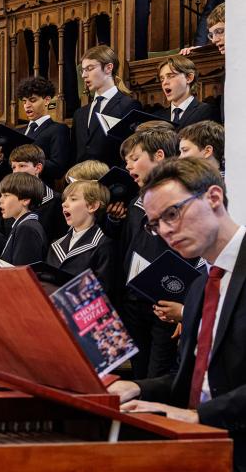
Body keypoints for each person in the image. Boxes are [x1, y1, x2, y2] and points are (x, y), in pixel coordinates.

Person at [108, 159, 246, 471]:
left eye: (173, 213)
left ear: (213, 197)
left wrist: (201, 416)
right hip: (202, 448)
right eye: (155, 224)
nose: (165, 231)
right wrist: (138, 388)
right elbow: (198, 381)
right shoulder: (198, 287)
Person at [111, 127, 184, 378]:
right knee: (139, 374)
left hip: (164, 303)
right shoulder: (136, 202)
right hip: (134, 300)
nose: (128, 166)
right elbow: (128, 247)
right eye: (126, 161)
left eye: (134, 158)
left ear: (160, 155)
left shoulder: (181, 198)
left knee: (158, 376)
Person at [73, 44, 140, 166]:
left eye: (90, 68)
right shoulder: (79, 113)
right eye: (83, 70)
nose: (83, 75)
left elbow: (131, 150)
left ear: (108, 68)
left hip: (113, 181)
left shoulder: (128, 106)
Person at [45, 180, 114, 289]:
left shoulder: (103, 245)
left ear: (92, 206)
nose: (64, 204)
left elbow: (103, 291)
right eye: (65, 199)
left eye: (73, 199)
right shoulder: (55, 244)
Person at [16, 76, 71, 183]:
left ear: (47, 100)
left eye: (32, 100)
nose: (27, 105)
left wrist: (28, 162)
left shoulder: (58, 129)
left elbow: (58, 168)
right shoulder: (17, 132)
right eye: (24, 101)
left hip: (40, 190)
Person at [9, 144, 65, 240]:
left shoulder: (56, 201)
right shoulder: (10, 200)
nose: (16, 172)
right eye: (14, 167)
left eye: (22, 165)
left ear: (38, 168)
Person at [0, 172, 47, 265]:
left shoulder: (27, 228)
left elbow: (21, 273)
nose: (0, 200)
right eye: (1, 195)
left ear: (25, 200)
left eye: (6, 195)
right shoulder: (23, 225)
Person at [157, 55, 218, 128]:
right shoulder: (158, 117)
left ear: (189, 78)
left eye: (171, 76)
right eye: (162, 79)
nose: (164, 83)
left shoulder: (206, 111)